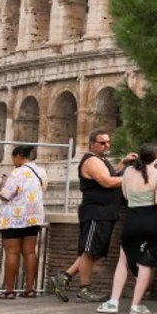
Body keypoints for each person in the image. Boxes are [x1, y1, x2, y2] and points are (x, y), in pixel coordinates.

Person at [47, 130, 137, 303]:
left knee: (94, 250)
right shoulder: (91, 161)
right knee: (89, 251)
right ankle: (84, 289)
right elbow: (107, 182)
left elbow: (111, 175)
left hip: (105, 213)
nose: (107, 145)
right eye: (102, 142)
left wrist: (122, 164)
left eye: (108, 142)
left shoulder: (100, 161)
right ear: (92, 144)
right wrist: (133, 177)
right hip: (96, 212)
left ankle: (64, 277)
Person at [97, 143, 157, 314]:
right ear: (155, 157)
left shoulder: (128, 172)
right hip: (150, 219)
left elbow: (126, 196)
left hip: (132, 219)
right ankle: (136, 305)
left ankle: (113, 301)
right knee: (145, 262)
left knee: (123, 260)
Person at [0, 145, 47, 299]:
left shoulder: (16, 173)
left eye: (13, 158)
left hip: (13, 218)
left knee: (12, 253)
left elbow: (6, 195)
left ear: (18, 156)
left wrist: (1, 185)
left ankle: (10, 291)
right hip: (33, 217)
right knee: (30, 252)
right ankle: (30, 289)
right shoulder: (41, 172)